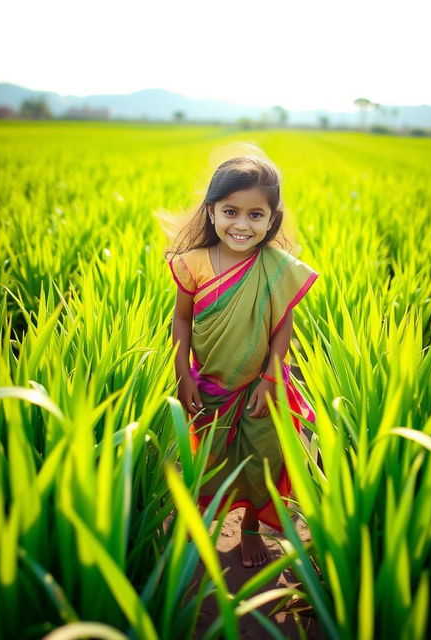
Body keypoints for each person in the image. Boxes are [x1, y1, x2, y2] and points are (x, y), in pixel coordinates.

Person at [166, 154, 318, 568]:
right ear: (211, 211)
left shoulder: (276, 267)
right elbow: (181, 319)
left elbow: (282, 325)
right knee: (206, 454)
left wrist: (271, 378)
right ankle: (199, 516)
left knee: (262, 458)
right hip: (209, 381)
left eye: (256, 214)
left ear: (272, 220)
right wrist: (183, 375)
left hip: (260, 384)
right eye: (230, 211)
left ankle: (250, 527)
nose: (241, 224)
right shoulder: (192, 262)